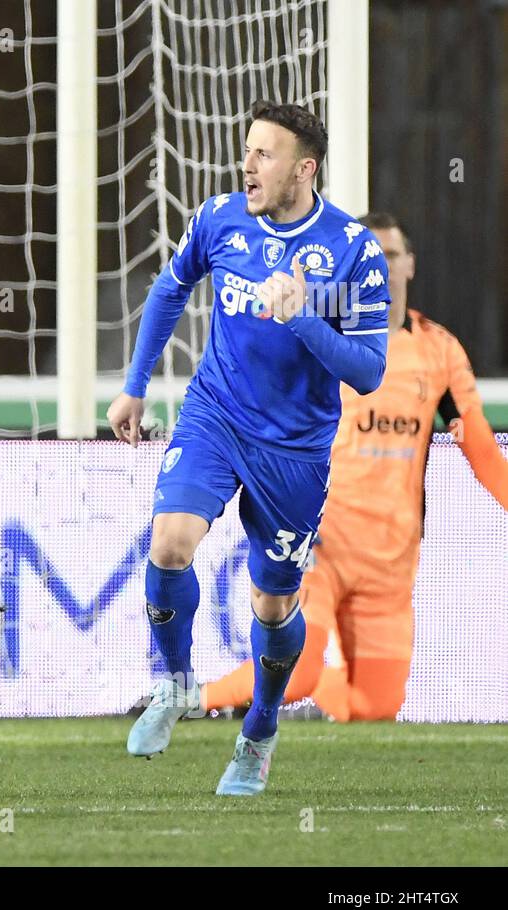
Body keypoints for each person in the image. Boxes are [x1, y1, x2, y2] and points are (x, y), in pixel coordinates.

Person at [108, 101, 390, 795]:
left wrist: (302, 319)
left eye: (265, 154)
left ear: (304, 168)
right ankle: (175, 684)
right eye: (248, 151)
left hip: (295, 450)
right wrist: (135, 385)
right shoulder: (219, 218)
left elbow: (369, 370)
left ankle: (259, 731)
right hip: (215, 416)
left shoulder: (355, 250)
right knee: (170, 540)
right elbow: (168, 292)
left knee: (272, 605)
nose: (248, 165)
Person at [201, 212, 508, 722]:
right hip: (320, 540)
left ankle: (299, 703)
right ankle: (192, 700)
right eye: (372, 257)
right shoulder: (321, 339)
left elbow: (477, 443)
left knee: (376, 708)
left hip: (390, 557)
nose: (383, 267)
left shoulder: (437, 350)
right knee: (296, 669)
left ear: (409, 264)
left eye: (391, 256)